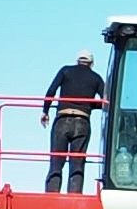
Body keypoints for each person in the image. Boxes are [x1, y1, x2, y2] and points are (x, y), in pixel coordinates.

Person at [43, 50, 106, 192]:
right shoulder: (96, 78)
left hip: (62, 119)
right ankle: (74, 196)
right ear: (92, 63)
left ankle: (52, 197)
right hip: (82, 120)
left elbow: (51, 91)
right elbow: (105, 101)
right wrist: (89, 105)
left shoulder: (65, 71)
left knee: (56, 163)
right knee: (77, 164)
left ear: (77, 61)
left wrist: (45, 111)